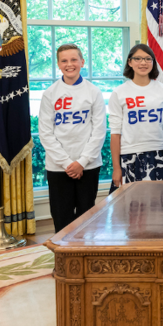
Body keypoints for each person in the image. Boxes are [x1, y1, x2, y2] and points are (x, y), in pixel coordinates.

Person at [38, 44, 106, 232]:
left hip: (88, 165)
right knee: (62, 215)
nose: (70, 64)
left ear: (82, 62)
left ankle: (84, 256)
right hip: (58, 166)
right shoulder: (50, 93)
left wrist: (82, 162)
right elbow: (45, 132)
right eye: (64, 61)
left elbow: (99, 131)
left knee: (86, 215)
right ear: (58, 64)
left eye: (74, 59)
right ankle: (63, 258)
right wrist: (67, 163)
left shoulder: (94, 92)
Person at [108, 44, 163, 191]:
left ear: (153, 62)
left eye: (147, 59)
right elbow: (115, 134)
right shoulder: (119, 92)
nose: (143, 63)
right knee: (132, 209)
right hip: (129, 156)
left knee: (159, 207)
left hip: (158, 154)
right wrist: (116, 168)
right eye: (137, 59)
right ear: (130, 62)